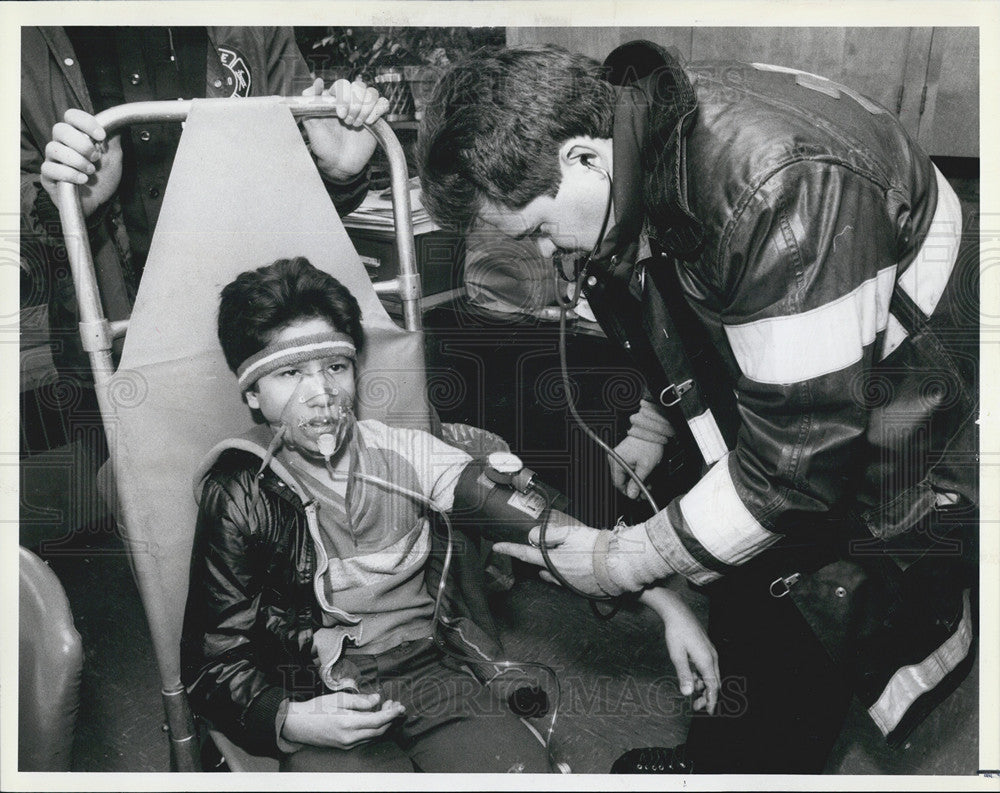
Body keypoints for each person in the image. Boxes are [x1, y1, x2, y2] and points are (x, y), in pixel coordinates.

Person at [417, 42, 979, 773]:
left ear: (583, 157)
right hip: (812, 401)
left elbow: (792, 475)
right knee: (746, 585)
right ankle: (724, 754)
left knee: (811, 621)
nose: (552, 255)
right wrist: (654, 422)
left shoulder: (779, 189)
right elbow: (703, 301)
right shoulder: (646, 132)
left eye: (540, 229)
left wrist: (617, 560)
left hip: (903, 429)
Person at [180, 256, 718, 771]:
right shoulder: (238, 495)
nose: (321, 394)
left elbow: (536, 526)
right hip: (315, 691)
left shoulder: (405, 455)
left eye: (336, 367)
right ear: (252, 394)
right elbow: (211, 664)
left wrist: (662, 599)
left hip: (427, 670)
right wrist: (292, 719)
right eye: (290, 373)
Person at [20, 26, 387, 381]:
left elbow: (299, 186)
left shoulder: (256, 20)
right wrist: (63, 206)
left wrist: (338, 174)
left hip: (264, 330)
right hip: (111, 341)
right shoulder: (22, 36)